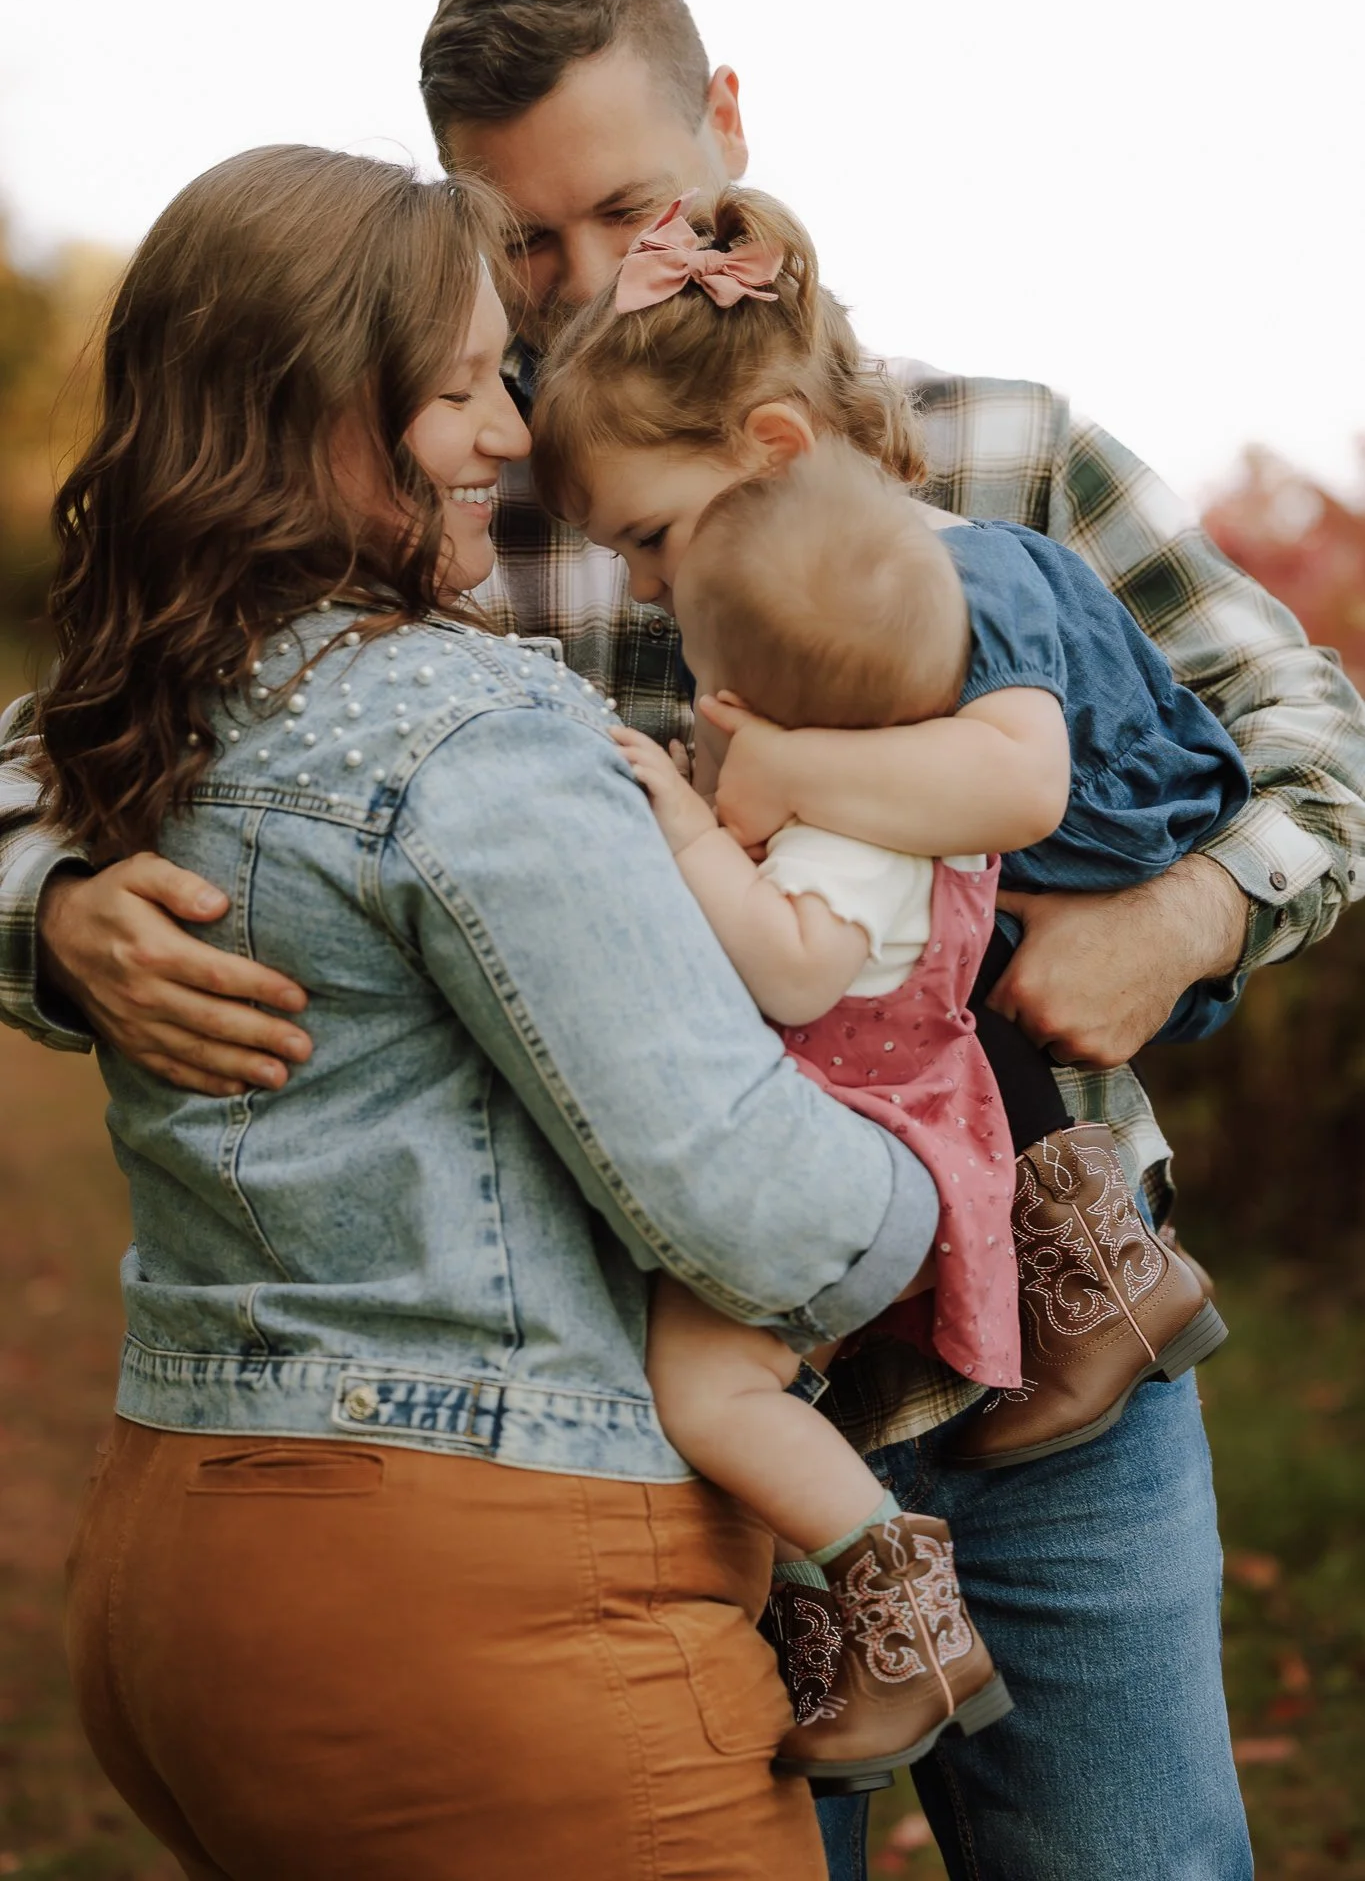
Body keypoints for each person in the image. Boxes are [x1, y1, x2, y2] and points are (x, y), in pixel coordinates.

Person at [3, 0, 1363, 1878]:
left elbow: (1309, 721)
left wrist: (1197, 917)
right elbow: (74, 737)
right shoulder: (452, 504)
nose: (569, 294)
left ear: (725, 129)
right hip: (676, 1393)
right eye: (517, 247)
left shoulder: (992, 443)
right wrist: (52, 904)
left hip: (1052, 1380)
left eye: (626, 211)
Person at [35, 139, 969, 1881]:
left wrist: (45, 907)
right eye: (460, 389)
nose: (513, 432)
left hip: (177, 1553)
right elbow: (761, 1220)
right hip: (479, 1600)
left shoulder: (138, 697)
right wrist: (944, 1173)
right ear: (314, 409)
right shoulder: (468, 733)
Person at [528, 190, 1248, 1781]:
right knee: (944, 966)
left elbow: (1026, 795)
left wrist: (775, 767)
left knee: (954, 955)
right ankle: (1089, 1262)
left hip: (1115, 835)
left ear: (778, 446)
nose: (645, 588)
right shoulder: (825, 575)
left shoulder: (956, 572)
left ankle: (1099, 1270)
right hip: (987, 936)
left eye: (651, 541)